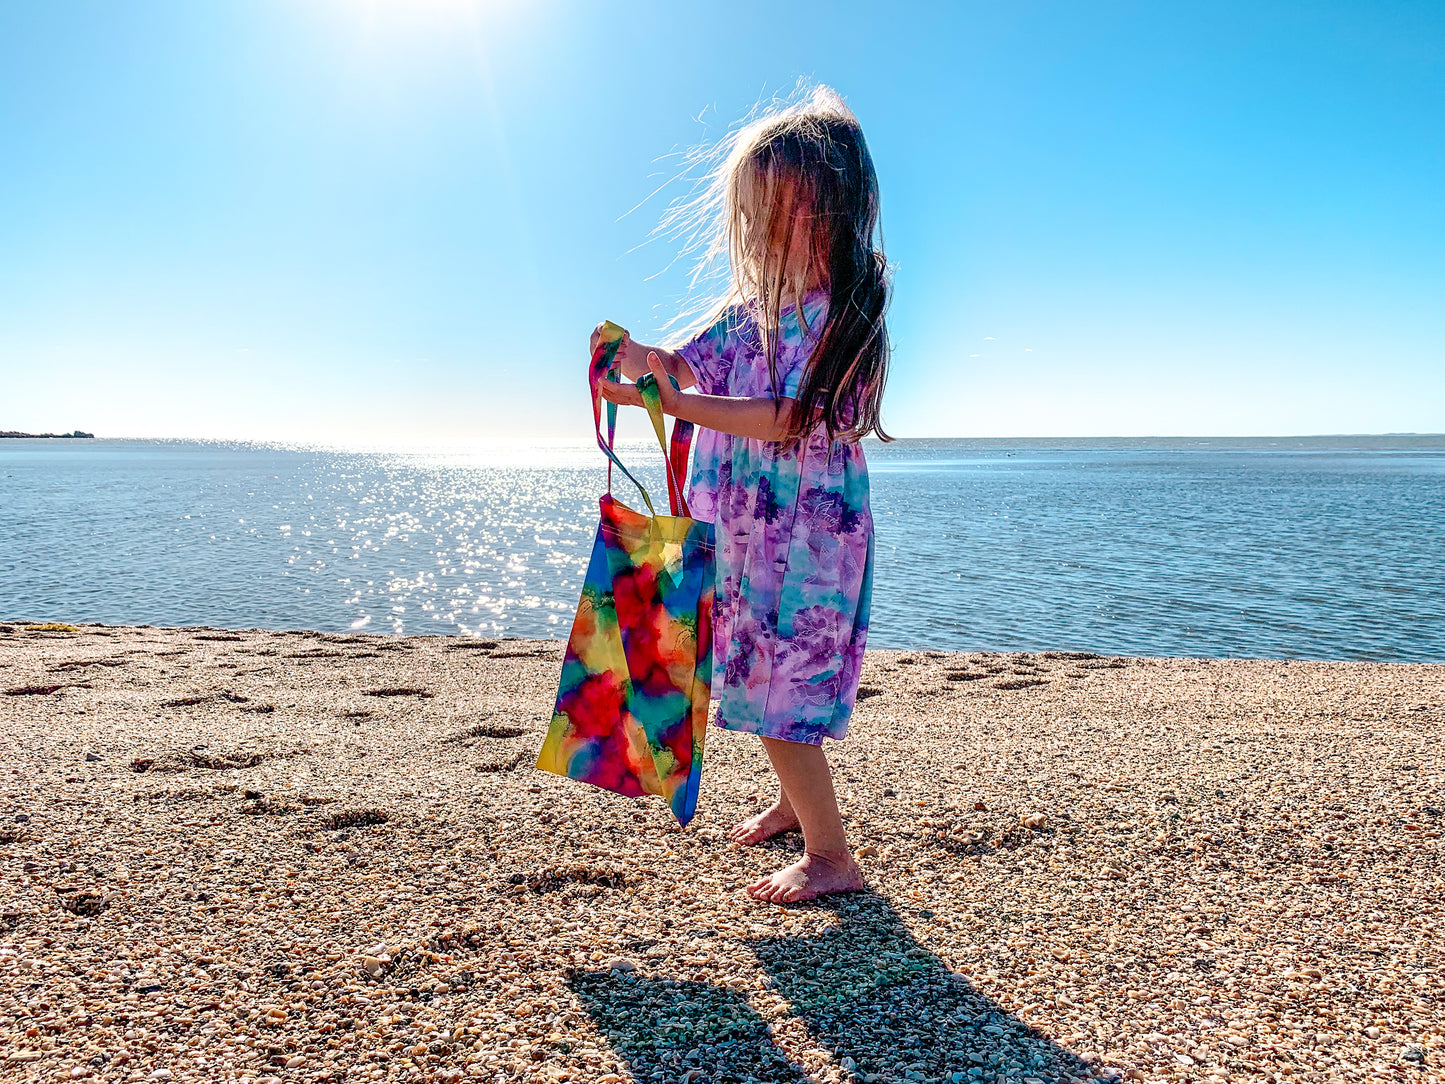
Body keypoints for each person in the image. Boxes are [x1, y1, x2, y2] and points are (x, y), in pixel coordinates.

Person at [597, 85, 891, 903]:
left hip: (804, 540)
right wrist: (636, 360)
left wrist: (676, 403)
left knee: (776, 691)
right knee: (753, 674)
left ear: (830, 211)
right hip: (741, 532)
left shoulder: (845, 317)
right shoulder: (748, 311)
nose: (760, 227)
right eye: (751, 210)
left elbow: (786, 417)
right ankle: (795, 808)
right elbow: (682, 369)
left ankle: (833, 859)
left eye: (778, 208)